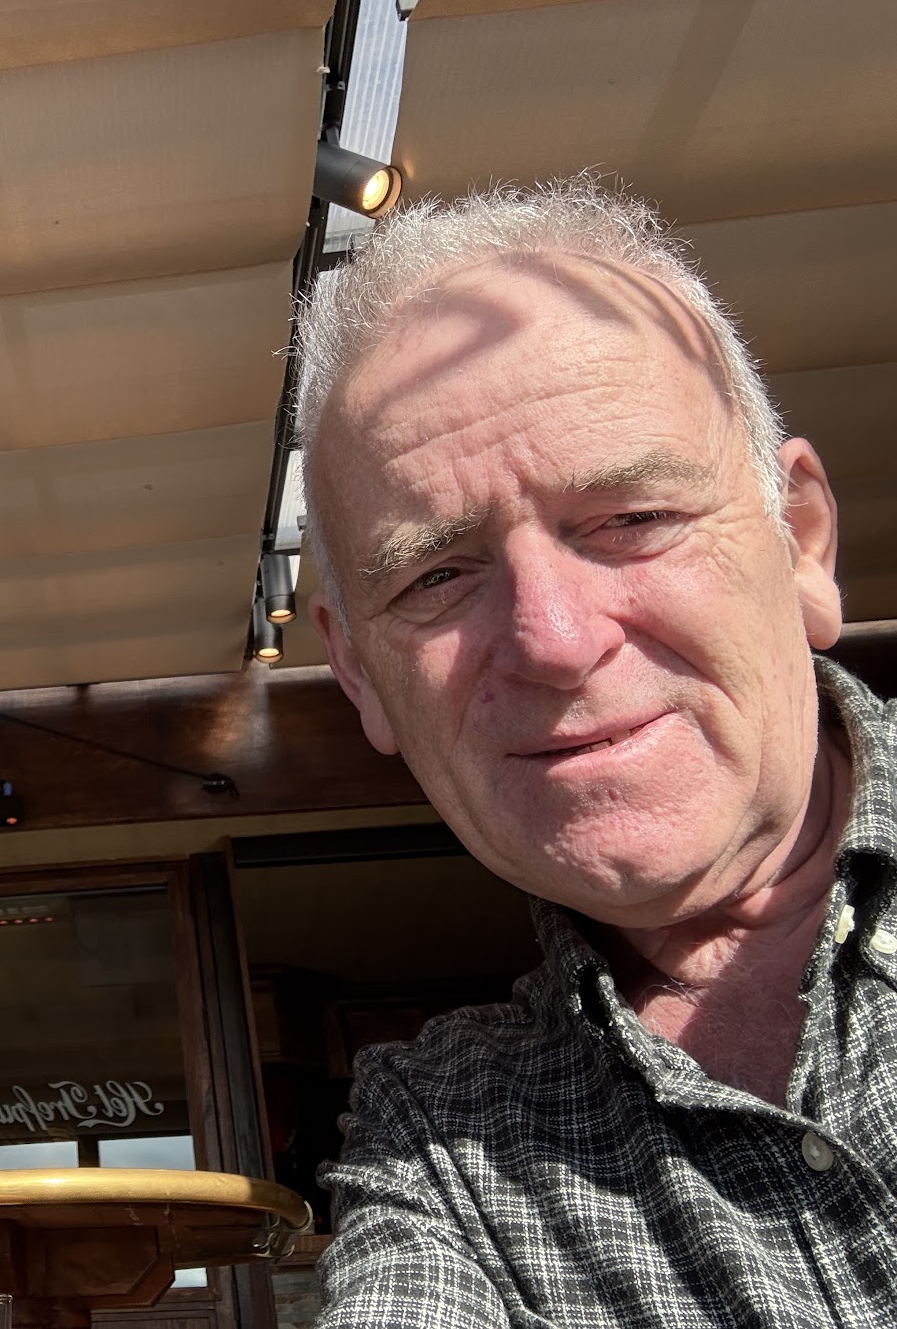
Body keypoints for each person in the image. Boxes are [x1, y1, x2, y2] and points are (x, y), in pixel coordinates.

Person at [295, 178, 897, 1324]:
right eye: (437, 575)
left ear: (802, 543)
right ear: (361, 675)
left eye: (632, 519)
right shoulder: (444, 1139)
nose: (555, 641)